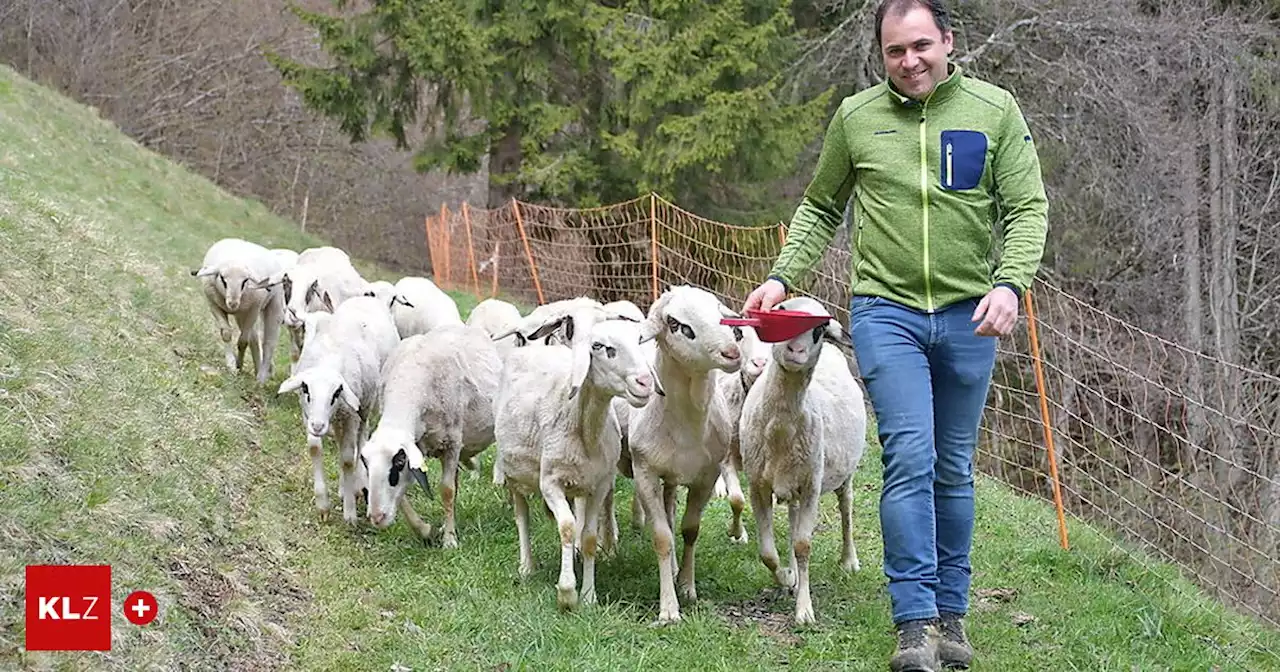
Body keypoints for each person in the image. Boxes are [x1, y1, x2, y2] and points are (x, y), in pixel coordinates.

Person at [742, 1, 1049, 670]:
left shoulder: (994, 111)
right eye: (894, 51)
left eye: (920, 46)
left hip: (970, 316)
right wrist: (780, 277)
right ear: (880, 55)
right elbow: (822, 205)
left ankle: (952, 614)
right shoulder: (857, 118)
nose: (909, 61)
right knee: (911, 455)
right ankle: (914, 626)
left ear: (948, 42)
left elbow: (1027, 207)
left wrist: (1010, 284)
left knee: (952, 466)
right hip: (887, 313)